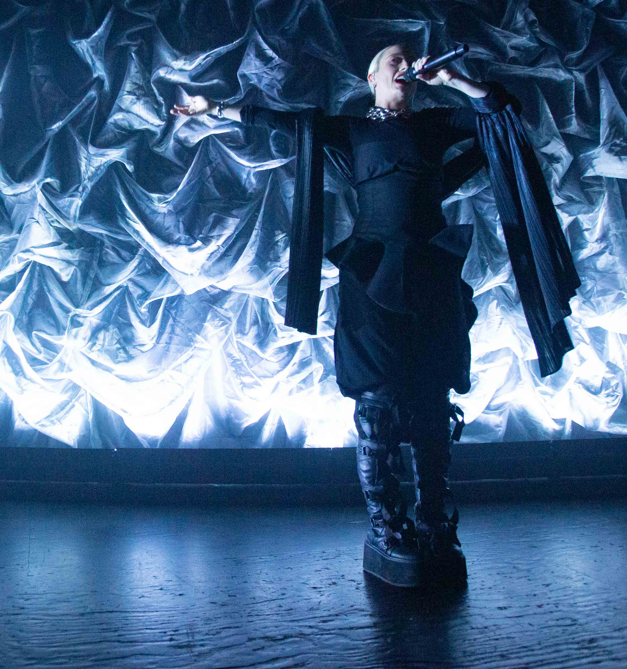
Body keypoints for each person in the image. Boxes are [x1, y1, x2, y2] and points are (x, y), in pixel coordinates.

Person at [171, 43, 578, 588]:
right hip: (371, 274)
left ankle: (434, 523)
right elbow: (281, 122)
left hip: (431, 273)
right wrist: (213, 108)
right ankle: (387, 528)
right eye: (393, 60)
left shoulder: (436, 123)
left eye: (410, 60)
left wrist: (455, 81)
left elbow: (501, 112)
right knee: (377, 405)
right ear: (371, 77)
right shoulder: (354, 131)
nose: (405, 66)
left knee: (432, 402)